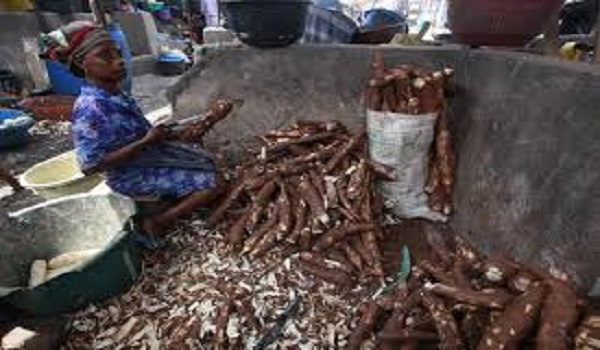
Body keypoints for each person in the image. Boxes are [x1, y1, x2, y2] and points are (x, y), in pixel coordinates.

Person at [44, 22, 219, 236]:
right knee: (215, 183)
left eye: (118, 54)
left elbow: (136, 133)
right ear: (82, 63)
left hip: (146, 156)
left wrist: (168, 133)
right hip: (129, 174)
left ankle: (170, 197)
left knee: (207, 161)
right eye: (105, 57)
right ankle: (159, 222)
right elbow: (90, 166)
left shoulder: (115, 94)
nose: (119, 61)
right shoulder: (91, 108)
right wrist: (146, 141)